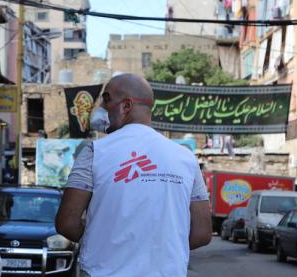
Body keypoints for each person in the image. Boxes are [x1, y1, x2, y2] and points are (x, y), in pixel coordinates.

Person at [55, 73, 212, 277]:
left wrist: (101, 243)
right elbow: (202, 233)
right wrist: (159, 251)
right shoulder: (186, 158)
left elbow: (66, 222)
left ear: (126, 105)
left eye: (107, 98)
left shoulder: (95, 152)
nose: (102, 106)